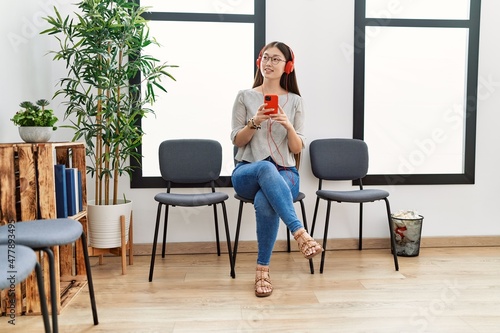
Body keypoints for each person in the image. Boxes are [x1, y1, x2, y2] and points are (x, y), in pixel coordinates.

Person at [230, 41, 323, 297]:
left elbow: (296, 148)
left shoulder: (295, 102)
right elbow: (237, 141)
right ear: (260, 61)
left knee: (265, 200)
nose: (268, 63)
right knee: (264, 169)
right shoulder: (245, 96)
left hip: (286, 173)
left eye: (275, 59)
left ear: (287, 67)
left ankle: (263, 271)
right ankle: (300, 233)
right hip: (247, 171)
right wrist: (255, 121)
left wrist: (288, 126)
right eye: (266, 58)